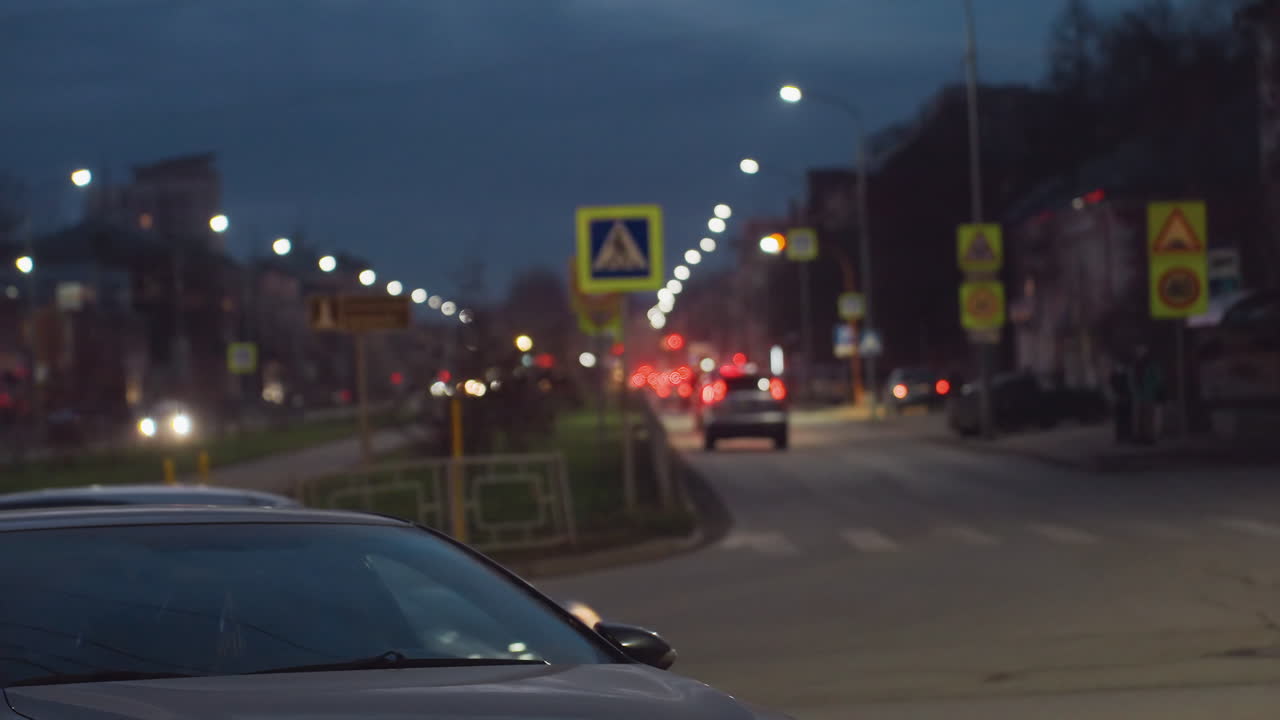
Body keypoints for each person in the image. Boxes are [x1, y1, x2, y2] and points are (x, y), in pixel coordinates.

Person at [1130, 344, 1165, 444]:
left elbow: (1158, 378)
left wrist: (1153, 388)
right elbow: (1132, 378)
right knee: (1137, 416)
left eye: (1142, 350)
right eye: (1138, 350)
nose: (1139, 352)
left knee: (1149, 416)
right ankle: (1138, 437)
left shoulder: (1151, 364)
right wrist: (1133, 390)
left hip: (1148, 393)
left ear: (1146, 351)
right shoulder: (1135, 364)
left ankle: (1149, 437)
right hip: (1138, 393)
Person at [1109, 357, 1132, 443]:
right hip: (1118, 399)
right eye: (1117, 366)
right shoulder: (1113, 375)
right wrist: (1115, 395)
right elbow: (1112, 385)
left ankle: (1127, 436)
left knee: (1126, 418)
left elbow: (1129, 386)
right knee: (1119, 419)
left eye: (1120, 366)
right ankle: (1120, 437)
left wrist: (1127, 395)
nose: (1118, 367)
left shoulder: (1125, 375)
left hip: (1126, 398)